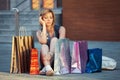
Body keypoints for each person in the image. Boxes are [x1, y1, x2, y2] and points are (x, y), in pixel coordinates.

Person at [36, 9, 66, 76]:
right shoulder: (38, 32)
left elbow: (61, 43)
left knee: (55, 39)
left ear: (53, 19)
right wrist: (43, 25)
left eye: (51, 17)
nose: (49, 20)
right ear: (42, 19)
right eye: (45, 18)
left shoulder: (61, 29)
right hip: (45, 59)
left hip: (57, 59)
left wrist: (51, 53)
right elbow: (43, 41)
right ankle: (48, 68)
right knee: (44, 46)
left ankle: (46, 68)